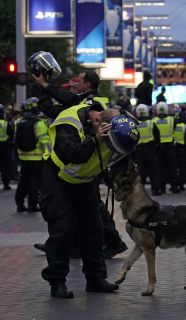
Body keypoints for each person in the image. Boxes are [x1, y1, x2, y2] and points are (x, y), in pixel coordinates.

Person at [40, 98, 139, 298]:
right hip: (58, 180)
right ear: (98, 124)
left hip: (85, 182)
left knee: (94, 230)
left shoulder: (115, 129)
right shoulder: (69, 123)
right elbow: (73, 154)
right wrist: (95, 139)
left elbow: (113, 159)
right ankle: (57, 282)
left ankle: (95, 279)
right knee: (63, 230)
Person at [14, 97, 50, 213]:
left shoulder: (18, 122)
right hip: (37, 158)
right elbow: (45, 142)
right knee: (34, 183)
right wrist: (49, 156)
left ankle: (19, 204)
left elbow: (16, 140)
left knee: (23, 181)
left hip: (23, 158)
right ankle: (32, 205)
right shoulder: (40, 124)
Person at [135, 104, 161, 196]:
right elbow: (157, 137)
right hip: (150, 150)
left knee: (140, 172)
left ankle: (140, 191)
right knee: (153, 170)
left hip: (138, 151)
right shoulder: (151, 123)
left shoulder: (135, 124)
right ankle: (156, 190)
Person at [153, 101, 179, 193]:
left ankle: (162, 188)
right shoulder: (172, 120)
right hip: (170, 147)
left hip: (159, 148)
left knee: (161, 168)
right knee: (172, 168)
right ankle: (174, 187)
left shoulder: (154, 121)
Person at [174, 109, 186, 192]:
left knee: (175, 168)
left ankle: (175, 185)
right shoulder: (185, 125)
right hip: (183, 148)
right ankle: (181, 185)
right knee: (183, 168)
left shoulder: (173, 124)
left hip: (174, 148)